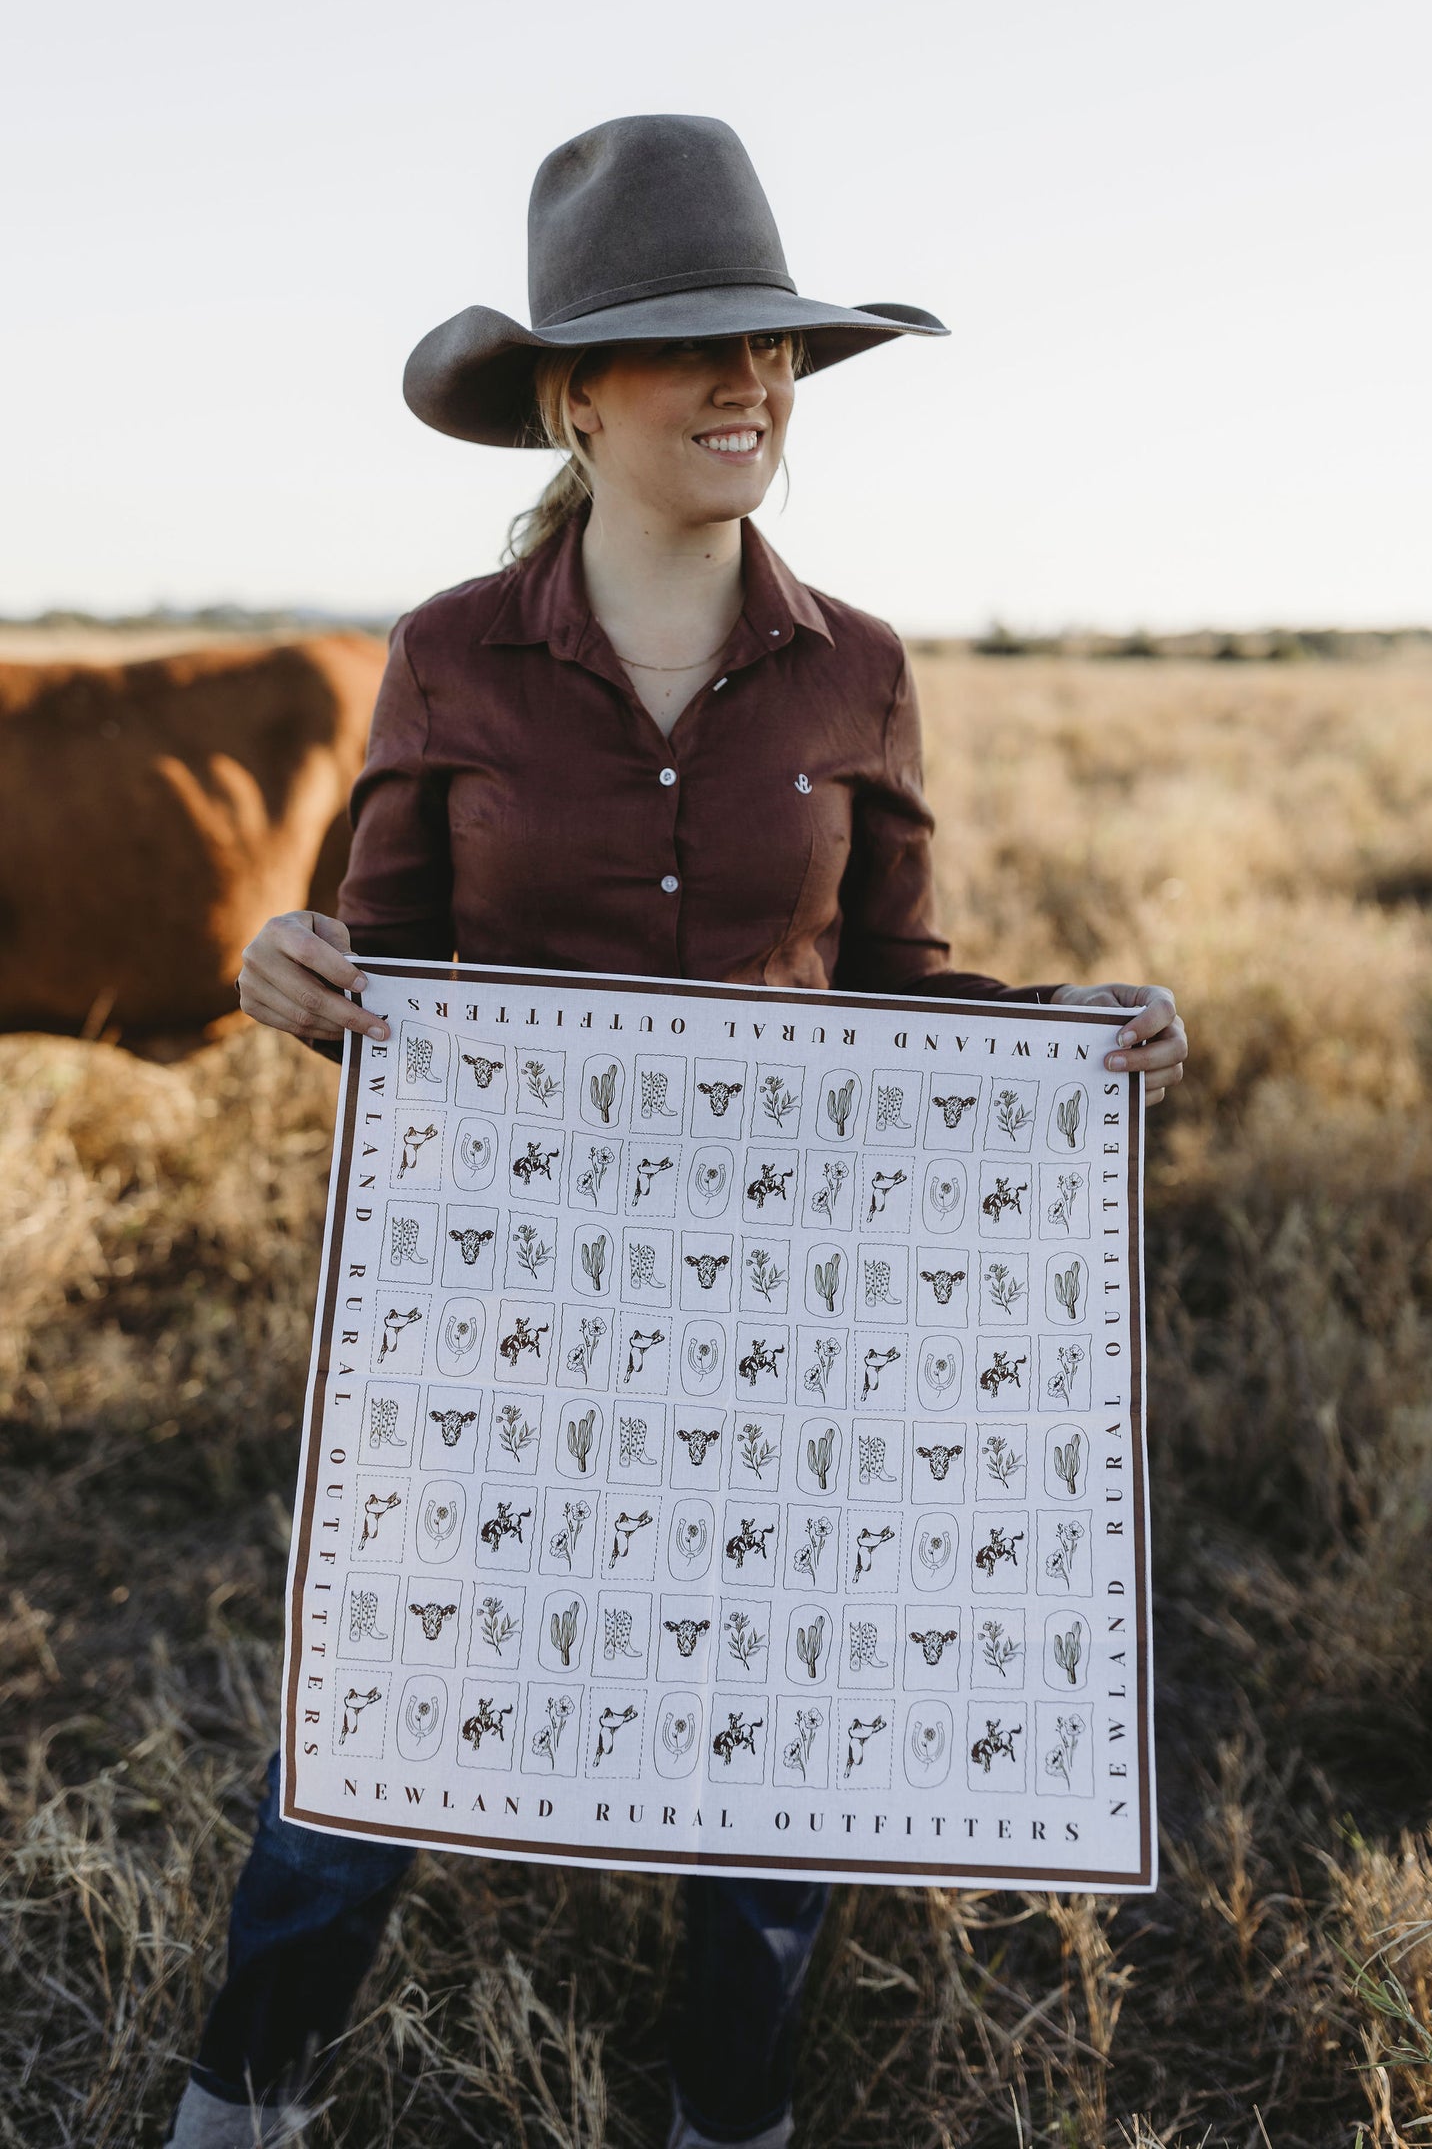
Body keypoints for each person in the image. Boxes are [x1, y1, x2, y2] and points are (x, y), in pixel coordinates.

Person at [168, 115, 1188, 2149]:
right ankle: (239, 2104)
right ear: (574, 395)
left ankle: (729, 2121)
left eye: (779, 349)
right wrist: (291, 973)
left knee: (772, 1769)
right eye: (699, 346)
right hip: (506, 1301)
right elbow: (392, 972)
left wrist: (1070, 1032)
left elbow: (896, 990)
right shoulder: (453, 650)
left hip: (781, 1311)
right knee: (369, 1746)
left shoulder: (862, 673)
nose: (753, 383)